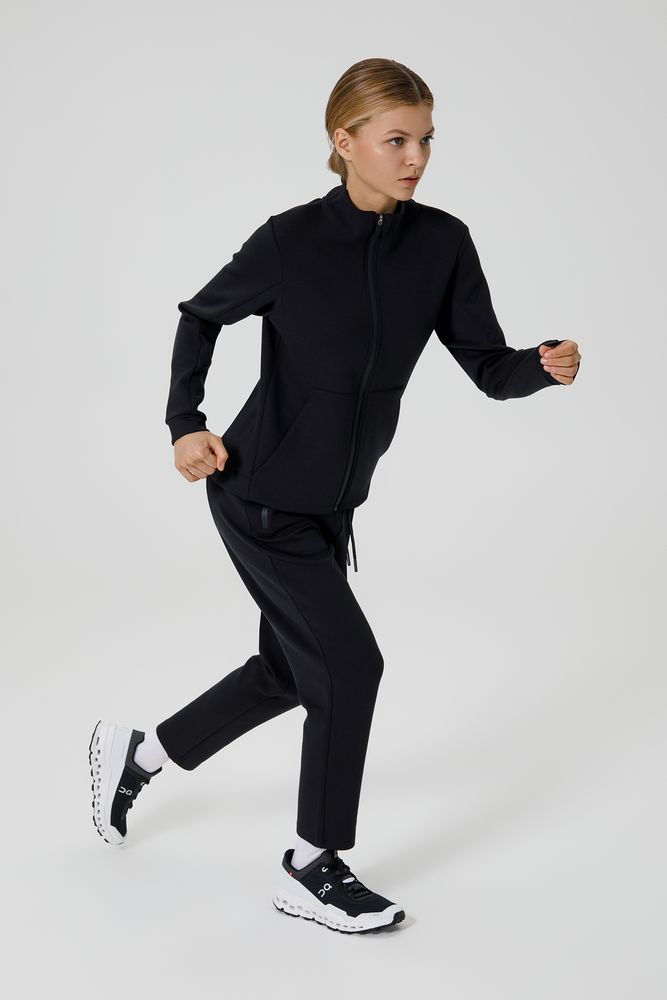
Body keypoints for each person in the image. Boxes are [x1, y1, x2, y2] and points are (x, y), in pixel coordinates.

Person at [89, 57, 581, 935]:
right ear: (343, 141)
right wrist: (184, 424)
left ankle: (144, 753)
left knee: (289, 671)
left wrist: (538, 367)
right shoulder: (290, 241)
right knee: (350, 667)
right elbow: (200, 314)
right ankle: (312, 863)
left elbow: (485, 366)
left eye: (425, 139)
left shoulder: (441, 244)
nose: (415, 157)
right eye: (395, 140)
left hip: (331, 506)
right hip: (258, 495)